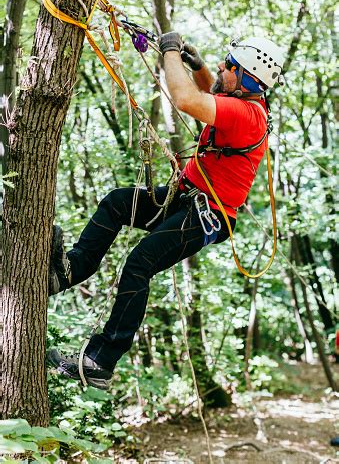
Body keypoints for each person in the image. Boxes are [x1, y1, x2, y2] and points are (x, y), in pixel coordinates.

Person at [48, 32, 285, 389]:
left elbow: (187, 99)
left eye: (230, 66)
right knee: (117, 204)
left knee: (140, 263)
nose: (223, 67)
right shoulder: (245, 101)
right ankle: (70, 271)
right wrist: (200, 65)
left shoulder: (245, 115)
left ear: (247, 79)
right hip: (187, 197)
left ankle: (101, 360)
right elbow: (215, 91)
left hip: (206, 214)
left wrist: (171, 52)